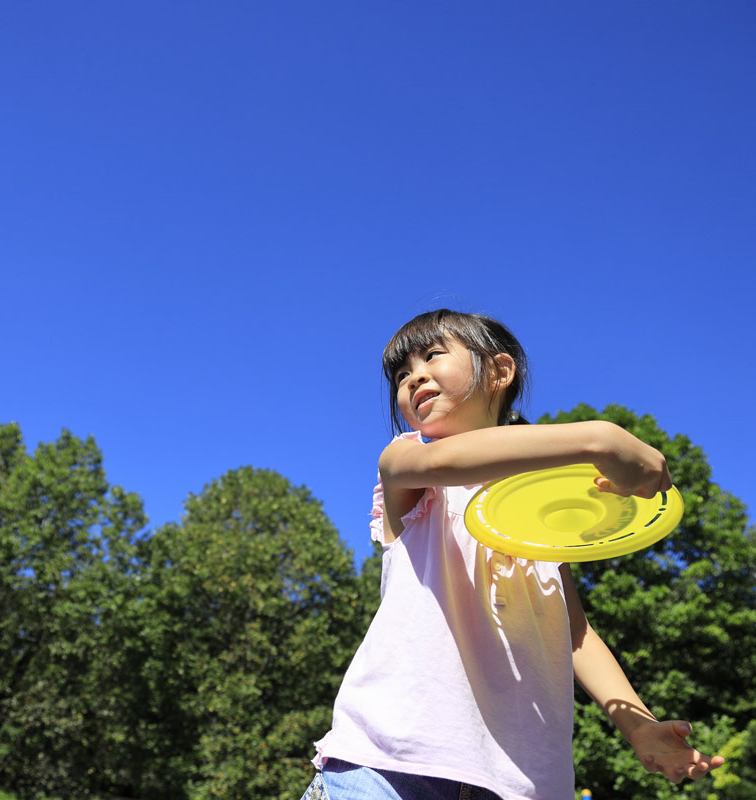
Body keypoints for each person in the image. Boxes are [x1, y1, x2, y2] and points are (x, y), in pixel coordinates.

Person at [302, 309, 724, 800]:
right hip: (388, 765)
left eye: (433, 354)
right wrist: (600, 438)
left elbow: (576, 633)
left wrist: (637, 724)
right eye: (401, 374)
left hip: (522, 783)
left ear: (499, 373)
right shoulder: (407, 462)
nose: (413, 375)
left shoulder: (535, 509)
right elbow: (441, 462)